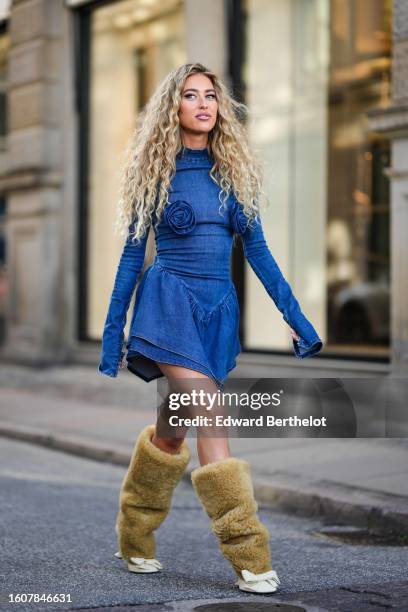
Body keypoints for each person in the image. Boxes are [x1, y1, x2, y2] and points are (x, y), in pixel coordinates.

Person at [98, 62, 323, 595]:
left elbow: (260, 255)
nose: (204, 104)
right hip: (167, 303)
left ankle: (133, 532)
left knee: (171, 429)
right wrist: (114, 333)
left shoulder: (232, 176)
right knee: (211, 415)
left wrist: (297, 319)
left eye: (211, 97)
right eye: (191, 95)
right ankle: (249, 553)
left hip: (216, 311)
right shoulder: (154, 175)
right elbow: (132, 261)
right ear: (172, 107)